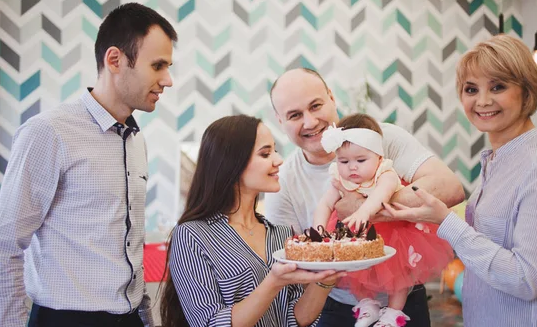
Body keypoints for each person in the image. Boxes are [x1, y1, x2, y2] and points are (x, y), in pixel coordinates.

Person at [0, 3, 177, 327]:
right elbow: (4, 247)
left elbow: (130, 247)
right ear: (115, 60)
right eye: (158, 65)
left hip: (130, 317)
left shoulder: (136, 140)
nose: (168, 80)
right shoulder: (48, 133)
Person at [383, 34, 537, 326]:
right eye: (470, 89)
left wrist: (447, 223)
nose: (482, 101)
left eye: (498, 86)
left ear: (527, 91)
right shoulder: (496, 161)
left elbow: (525, 279)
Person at [265, 68, 465, 327]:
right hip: (333, 304)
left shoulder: (382, 138)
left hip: (405, 295)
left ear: (332, 98)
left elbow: (450, 187)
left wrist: (365, 207)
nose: (310, 122)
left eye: (316, 106)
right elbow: (289, 259)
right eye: (294, 115)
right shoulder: (283, 182)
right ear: (280, 121)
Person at [160, 115, 347, 327]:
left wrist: (326, 279)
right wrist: (273, 282)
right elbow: (210, 323)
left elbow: (294, 319)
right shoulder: (191, 235)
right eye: (265, 154)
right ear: (232, 163)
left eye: (274, 151)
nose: (278, 160)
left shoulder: (282, 234)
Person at [312, 113, 454, 326]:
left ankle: (393, 313)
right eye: (344, 161)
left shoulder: (385, 173)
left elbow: (380, 196)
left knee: (399, 275)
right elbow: (325, 204)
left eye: (361, 160)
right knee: (357, 271)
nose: (352, 167)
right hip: (358, 236)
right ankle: (367, 304)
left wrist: (363, 212)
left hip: (395, 234)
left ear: (378, 157)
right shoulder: (339, 179)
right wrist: (319, 232)